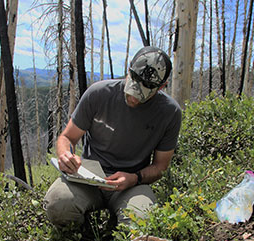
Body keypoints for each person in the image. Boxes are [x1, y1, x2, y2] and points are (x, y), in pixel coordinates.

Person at [44, 46, 182, 229]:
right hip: (88, 178)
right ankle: (84, 234)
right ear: (129, 69)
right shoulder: (99, 94)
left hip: (131, 183)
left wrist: (135, 178)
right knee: (58, 204)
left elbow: (160, 166)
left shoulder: (169, 113)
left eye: (147, 87)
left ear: (162, 87)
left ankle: (115, 230)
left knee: (141, 221)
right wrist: (65, 155)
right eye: (134, 79)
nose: (134, 95)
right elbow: (67, 137)